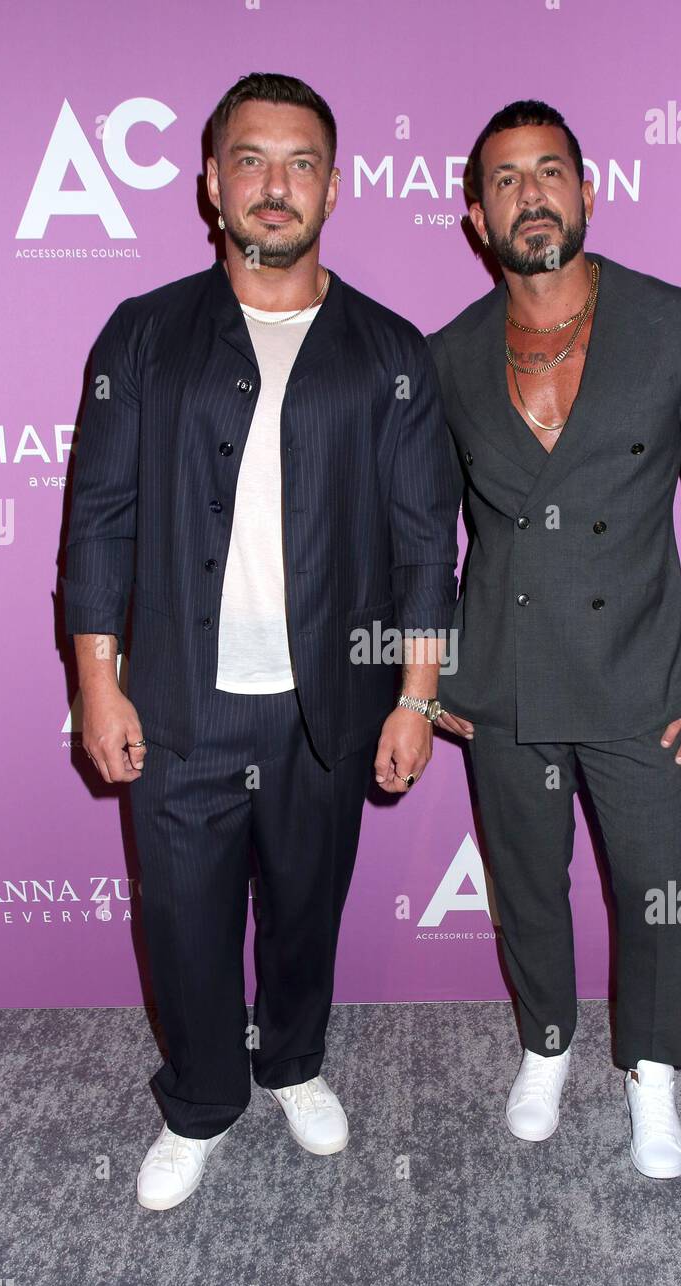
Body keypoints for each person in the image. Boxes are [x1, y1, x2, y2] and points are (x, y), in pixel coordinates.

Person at [62, 73, 458, 1209]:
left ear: (334, 186)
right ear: (209, 183)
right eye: (250, 160)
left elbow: (425, 539)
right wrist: (98, 682)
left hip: (325, 707)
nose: (273, 186)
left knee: (304, 906)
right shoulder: (143, 335)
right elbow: (96, 517)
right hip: (179, 699)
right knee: (184, 920)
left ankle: (290, 1061)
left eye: (298, 165)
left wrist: (415, 695)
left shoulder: (389, 350)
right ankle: (200, 1098)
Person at [428, 100, 681, 1178]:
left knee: (652, 884)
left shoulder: (679, 326)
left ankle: (653, 1073)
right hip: (503, 682)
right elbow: (417, 531)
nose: (528, 194)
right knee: (526, 884)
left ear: (588, 190)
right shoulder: (446, 357)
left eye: (547, 173)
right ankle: (545, 1043)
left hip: (642, 674)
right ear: (477, 216)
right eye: (503, 180)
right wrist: (425, 656)